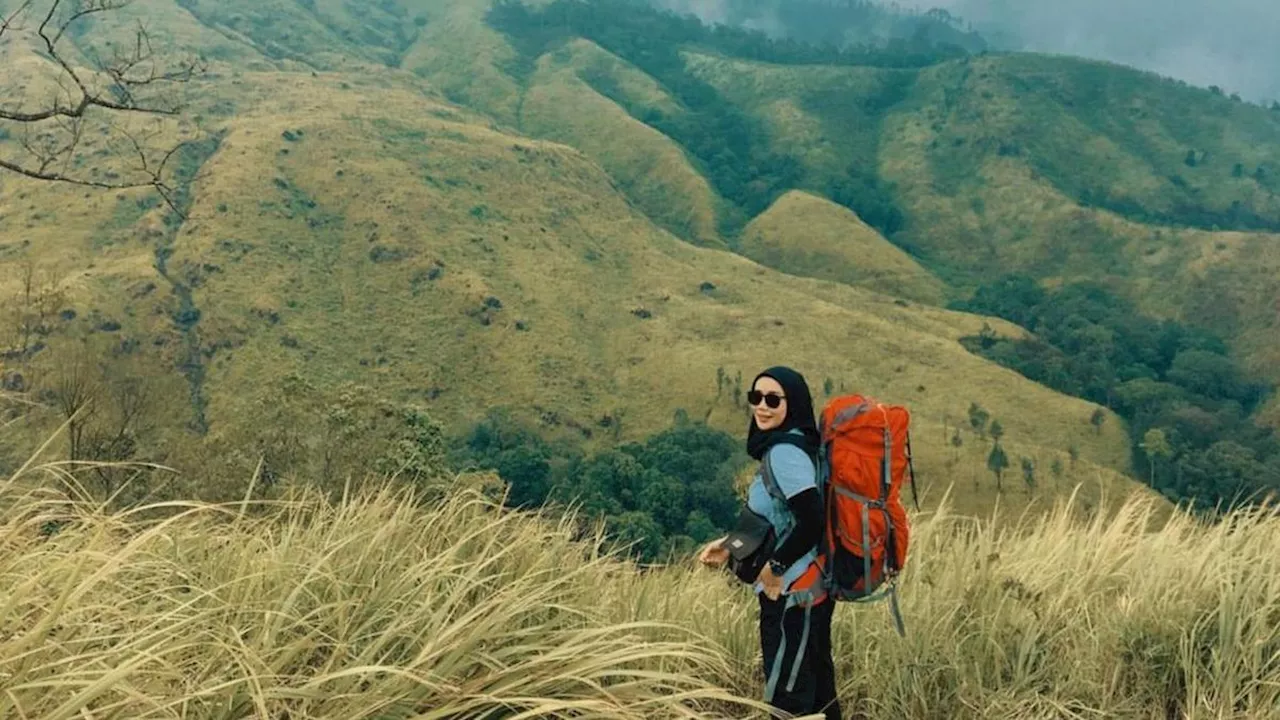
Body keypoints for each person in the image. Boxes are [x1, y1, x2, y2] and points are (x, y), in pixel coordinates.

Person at [699, 366, 841, 720]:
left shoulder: (784, 453)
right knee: (819, 690)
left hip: (790, 593)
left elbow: (811, 519)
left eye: (773, 399)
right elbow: (779, 518)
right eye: (755, 397)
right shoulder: (799, 442)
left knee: (787, 698)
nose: (761, 406)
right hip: (813, 586)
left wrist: (775, 569)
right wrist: (731, 545)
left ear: (791, 403)